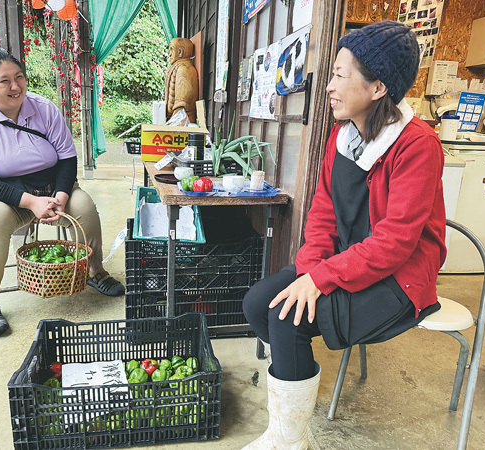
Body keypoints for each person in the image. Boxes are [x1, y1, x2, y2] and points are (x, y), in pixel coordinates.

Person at [242, 21, 446, 448]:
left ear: (376, 88)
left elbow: (395, 244)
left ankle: (289, 440)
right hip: (348, 261)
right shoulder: (343, 136)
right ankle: (291, 430)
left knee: (287, 318)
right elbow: (322, 213)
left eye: (339, 74)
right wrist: (311, 272)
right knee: (260, 303)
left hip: (400, 278)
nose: (330, 86)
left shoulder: (417, 145)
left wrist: (318, 281)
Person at [0, 46, 124, 338]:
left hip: (50, 187)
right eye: (4, 80)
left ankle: (94, 269)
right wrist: (31, 203)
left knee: (83, 206)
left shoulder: (43, 109)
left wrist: (61, 196)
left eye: (19, 77)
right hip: (2, 194)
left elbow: (67, 158)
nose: (15, 86)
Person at [164, 37, 199, 123]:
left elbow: (183, 105)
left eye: (172, 50)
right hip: (175, 118)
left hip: (183, 120)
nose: (170, 54)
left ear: (180, 52)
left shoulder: (185, 69)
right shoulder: (178, 68)